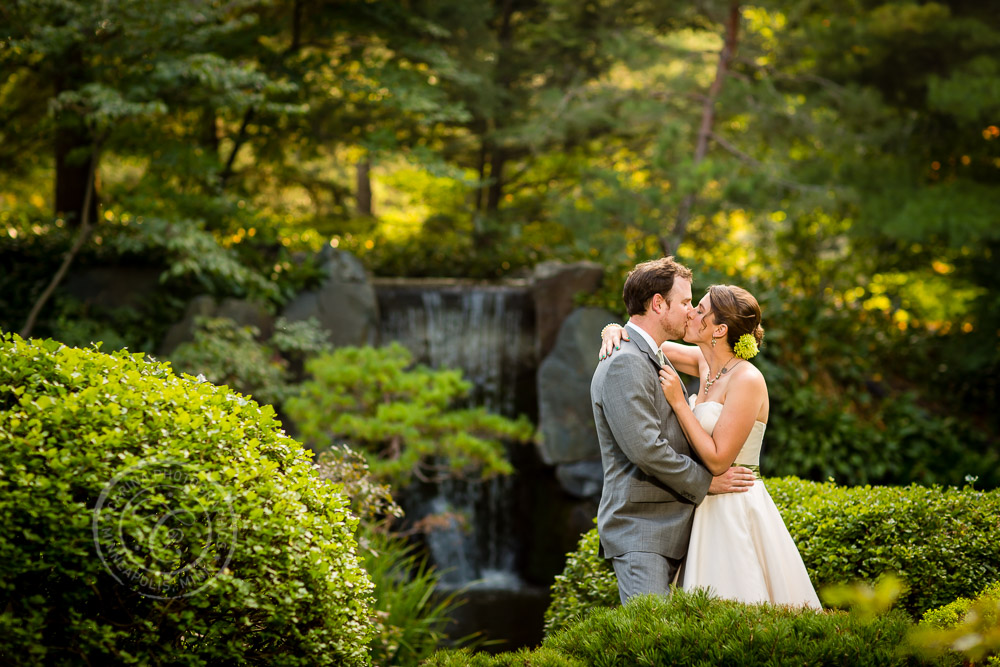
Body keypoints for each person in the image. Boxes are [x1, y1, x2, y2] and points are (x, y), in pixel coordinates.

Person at [600, 283, 821, 608]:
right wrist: (611, 329)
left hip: (732, 503)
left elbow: (718, 461)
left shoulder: (746, 379)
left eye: (699, 309)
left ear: (719, 329)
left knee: (739, 601)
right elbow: (642, 341)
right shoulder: (705, 365)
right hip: (702, 502)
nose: (690, 312)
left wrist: (679, 402)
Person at [591, 257, 756, 605]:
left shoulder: (655, 355)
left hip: (682, 525)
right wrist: (706, 482)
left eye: (696, 307)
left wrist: (614, 328)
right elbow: (646, 449)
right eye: (685, 303)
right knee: (650, 642)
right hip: (644, 531)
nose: (690, 313)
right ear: (657, 303)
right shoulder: (625, 361)